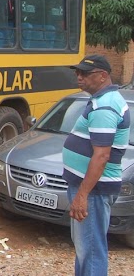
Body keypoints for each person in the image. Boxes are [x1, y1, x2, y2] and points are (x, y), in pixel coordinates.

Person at [62, 54, 130, 276]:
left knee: (91, 250)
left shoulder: (106, 106)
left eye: (84, 73)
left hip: (93, 191)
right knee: (86, 249)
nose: (79, 77)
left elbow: (101, 156)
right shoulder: (100, 101)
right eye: (77, 72)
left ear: (102, 76)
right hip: (91, 189)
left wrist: (82, 195)